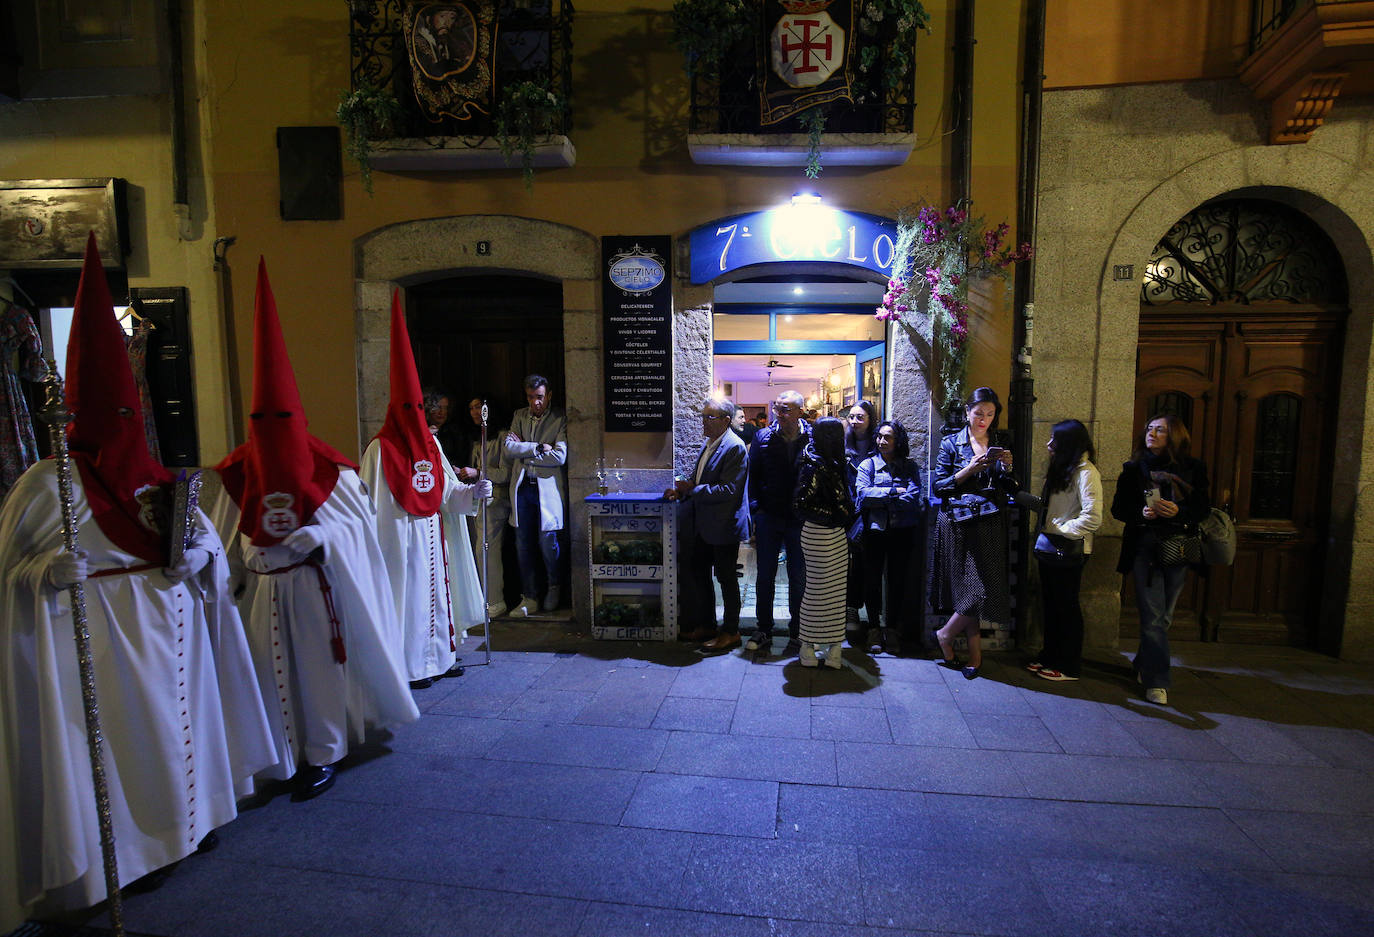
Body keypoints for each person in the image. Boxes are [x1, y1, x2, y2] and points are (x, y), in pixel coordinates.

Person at [0, 235, 275, 926]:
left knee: (178, 732)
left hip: (171, 636)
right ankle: (126, 853)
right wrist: (42, 573)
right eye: (112, 414)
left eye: (133, 414)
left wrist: (197, 561)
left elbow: (211, 546)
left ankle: (192, 822)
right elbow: (9, 571)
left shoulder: (159, 478)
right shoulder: (48, 487)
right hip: (97, 643)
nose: (126, 427)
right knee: (119, 749)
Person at [212, 261, 418, 802]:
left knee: (318, 677)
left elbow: (361, 535)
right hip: (262, 594)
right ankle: (279, 754)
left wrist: (324, 541)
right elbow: (219, 536)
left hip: (312, 589)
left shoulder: (329, 469)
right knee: (267, 677)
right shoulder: (236, 471)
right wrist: (231, 568)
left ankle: (323, 753)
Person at [361, 292, 489, 689]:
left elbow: (446, 492)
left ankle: (440, 656)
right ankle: (412, 666)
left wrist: (473, 492)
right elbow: (366, 504)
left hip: (433, 536)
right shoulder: (379, 450)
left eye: (421, 410)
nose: (419, 419)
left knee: (437, 597)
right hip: (397, 542)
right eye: (411, 411)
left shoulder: (431, 445)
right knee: (408, 601)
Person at [1110, 414, 1210, 705]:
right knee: (1153, 617)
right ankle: (1157, 682)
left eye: (1160, 430)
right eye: (1149, 429)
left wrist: (1179, 513)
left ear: (1175, 436)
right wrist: (1140, 514)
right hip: (1145, 549)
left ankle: (1144, 662)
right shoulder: (1133, 470)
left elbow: (1202, 507)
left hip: (1178, 548)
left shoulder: (1193, 469)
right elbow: (1119, 509)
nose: (1151, 434)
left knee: (1163, 616)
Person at [930, 386, 1016, 679]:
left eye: (990, 415)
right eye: (978, 413)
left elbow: (1008, 487)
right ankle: (972, 656)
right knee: (970, 591)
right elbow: (938, 485)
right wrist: (967, 470)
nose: (984, 420)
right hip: (958, 521)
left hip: (989, 522)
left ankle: (947, 637)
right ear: (967, 412)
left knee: (982, 588)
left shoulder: (999, 442)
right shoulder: (952, 443)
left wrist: (1007, 468)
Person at [668, 397, 750, 650]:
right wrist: (682, 491)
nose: (703, 422)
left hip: (724, 524)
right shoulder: (711, 443)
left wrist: (694, 489)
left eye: (709, 417)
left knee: (726, 578)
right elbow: (700, 478)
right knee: (700, 574)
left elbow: (729, 490)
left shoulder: (734, 447)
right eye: (702, 416)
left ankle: (731, 631)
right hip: (704, 524)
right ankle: (707, 625)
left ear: (726, 421)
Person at [1026, 419, 1102, 682]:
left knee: (1066, 607)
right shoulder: (1064, 469)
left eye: (1054, 440)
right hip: (1051, 547)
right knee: (1051, 605)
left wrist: (1060, 528)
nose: (1048, 445)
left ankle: (1068, 665)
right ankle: (1050, 656)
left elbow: (1093, 517)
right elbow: (1051, 509)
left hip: (1069, 549)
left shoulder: (1086, 472)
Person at [746, 390, 811, 655]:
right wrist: (756, 510)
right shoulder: (762, 437)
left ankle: (798, 632)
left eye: (786, 409)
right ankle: (764, 628)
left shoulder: (812, 437)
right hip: (769, 515)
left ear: (800, 411)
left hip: (799, 518)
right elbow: (753, 476)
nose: (780, 414)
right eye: (778, 409)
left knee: (799, 577)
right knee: (764, 576)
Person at [855, 419, 923, 655]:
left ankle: (892, 629)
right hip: (875, 531)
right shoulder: (868, 465)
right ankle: (874, 628)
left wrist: (883, 500)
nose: (882, 441)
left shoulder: (909, 467)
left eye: (888, 437)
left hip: (902, 531)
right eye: (880, 436)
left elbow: (913, 497)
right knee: (872, 581)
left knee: (897, 582)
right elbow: (863, 495)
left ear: (898, 441)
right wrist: (894, 492)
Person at [793, 417, 854, 668]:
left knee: (834, 592)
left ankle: (829, 649)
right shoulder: (815, 464)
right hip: (822, 532)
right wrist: (836, 516)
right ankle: (815, 646)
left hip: (831, 532)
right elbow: (801, 504)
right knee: (821, 592)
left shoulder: (829, 461)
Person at [504, 374, 568, 616]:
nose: (536, 403)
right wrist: (539, 447)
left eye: (540, 397)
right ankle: (529, 596)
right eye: (531, 397)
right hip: (522, 488)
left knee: (548, 542)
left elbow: (560, 456)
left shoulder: (559, 418)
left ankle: (554, 586)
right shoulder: (519, 416)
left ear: (548, 395)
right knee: (523, 544)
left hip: (546, 488)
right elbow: (508, 449)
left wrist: (524, 451)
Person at [457, 397, 511, 618]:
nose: (475, 412)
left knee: (486, 550)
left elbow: (505, 473)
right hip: (477, 498)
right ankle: (478, 599)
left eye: (479, 407)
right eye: (471, 408)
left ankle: (494, 601)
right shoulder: (476, 438)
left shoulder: (504, 437)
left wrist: (478, 473)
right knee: (475, 549)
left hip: (497, 498)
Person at [843, 399, 879, 644]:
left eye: (860, 417)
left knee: (867, 564)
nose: (855, 422)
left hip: (871, 511)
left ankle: (873, 617)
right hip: (847, 511)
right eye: (852, 417)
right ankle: (849, 608)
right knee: (846, 562)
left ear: (870, 420)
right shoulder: (843, 445)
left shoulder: (879, 445)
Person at [424, 388, 465, 468]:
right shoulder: (422, 430)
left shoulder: (454, 433)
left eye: (445, 408)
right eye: (438, 407)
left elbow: (459, 459)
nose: (441, 412)